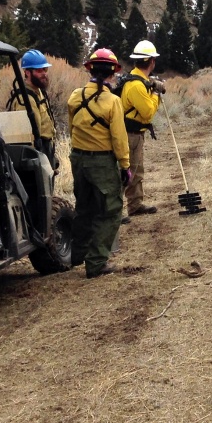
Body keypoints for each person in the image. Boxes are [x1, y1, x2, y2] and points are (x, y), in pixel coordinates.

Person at [66, 48, 131, 279]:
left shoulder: (75, 96)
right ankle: (95, 263)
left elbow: (72, 127)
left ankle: (76, 255)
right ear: (113, 72)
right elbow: (118, 138)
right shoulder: (112, 101)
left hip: (78, 160)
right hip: (102, 162)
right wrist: (125, 165)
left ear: (90, 69)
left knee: (83, 208)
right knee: (110, 210)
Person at [120, 39, 165, 218]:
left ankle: (135, 204)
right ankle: (115, 212)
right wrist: (156, 94)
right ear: (152, 61)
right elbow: (147, 113)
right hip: (129, 134)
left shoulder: (140, 80)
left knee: (136, 170)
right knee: (124, 171)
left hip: (136, 133)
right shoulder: (137, 85)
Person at [7, 49, 57, 169]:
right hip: (36, 155)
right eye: (39, 70)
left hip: (45, 149)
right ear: (27, 72)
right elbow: (29, 136)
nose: (44, 73)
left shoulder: (38, 91)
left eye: (45, 69)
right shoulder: (25, 99)